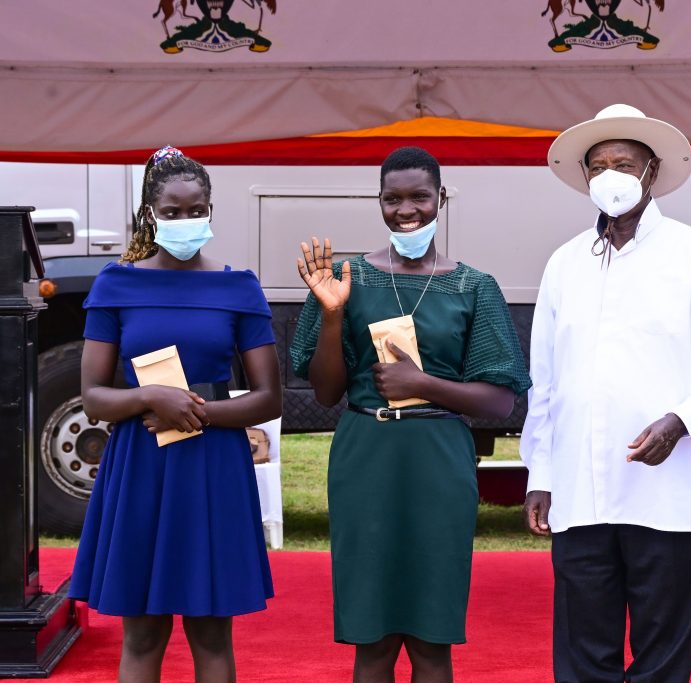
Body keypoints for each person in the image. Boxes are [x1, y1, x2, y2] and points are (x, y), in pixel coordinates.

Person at [520, 104, 691, 682]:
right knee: (582, 657)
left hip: (670, 492)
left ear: (651, 172)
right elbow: (544, 383)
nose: (610, 175)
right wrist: (541, 475)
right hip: (580, 493)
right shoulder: (564, 263)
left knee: (663, 658)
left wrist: (677, 422)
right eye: (597, 166)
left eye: (623, 162)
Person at [290, 146, 531, 683]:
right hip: (365, 455)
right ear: (377, 201)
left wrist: (422, 384)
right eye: (392, 198)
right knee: (370, 640)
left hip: (439, 459)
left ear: (440, 198)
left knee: (431, 638)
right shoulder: (345, 278)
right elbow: (327, 393)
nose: (406, 210)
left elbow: (499, 400)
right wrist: (332, 314)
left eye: (419, 196)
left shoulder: (473, 286)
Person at [69, 146, 281, 683]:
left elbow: (268, 398)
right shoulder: (116, 284)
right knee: (142, 632)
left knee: (211, 633)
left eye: (196, 211)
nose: (185, 221)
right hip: (140, 464)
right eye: (172, 212)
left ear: (211, 211)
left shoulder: (239, 287)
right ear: (150, 214)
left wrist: (197, 411)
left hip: (213, 465)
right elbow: (93, 396)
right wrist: (148, 398)